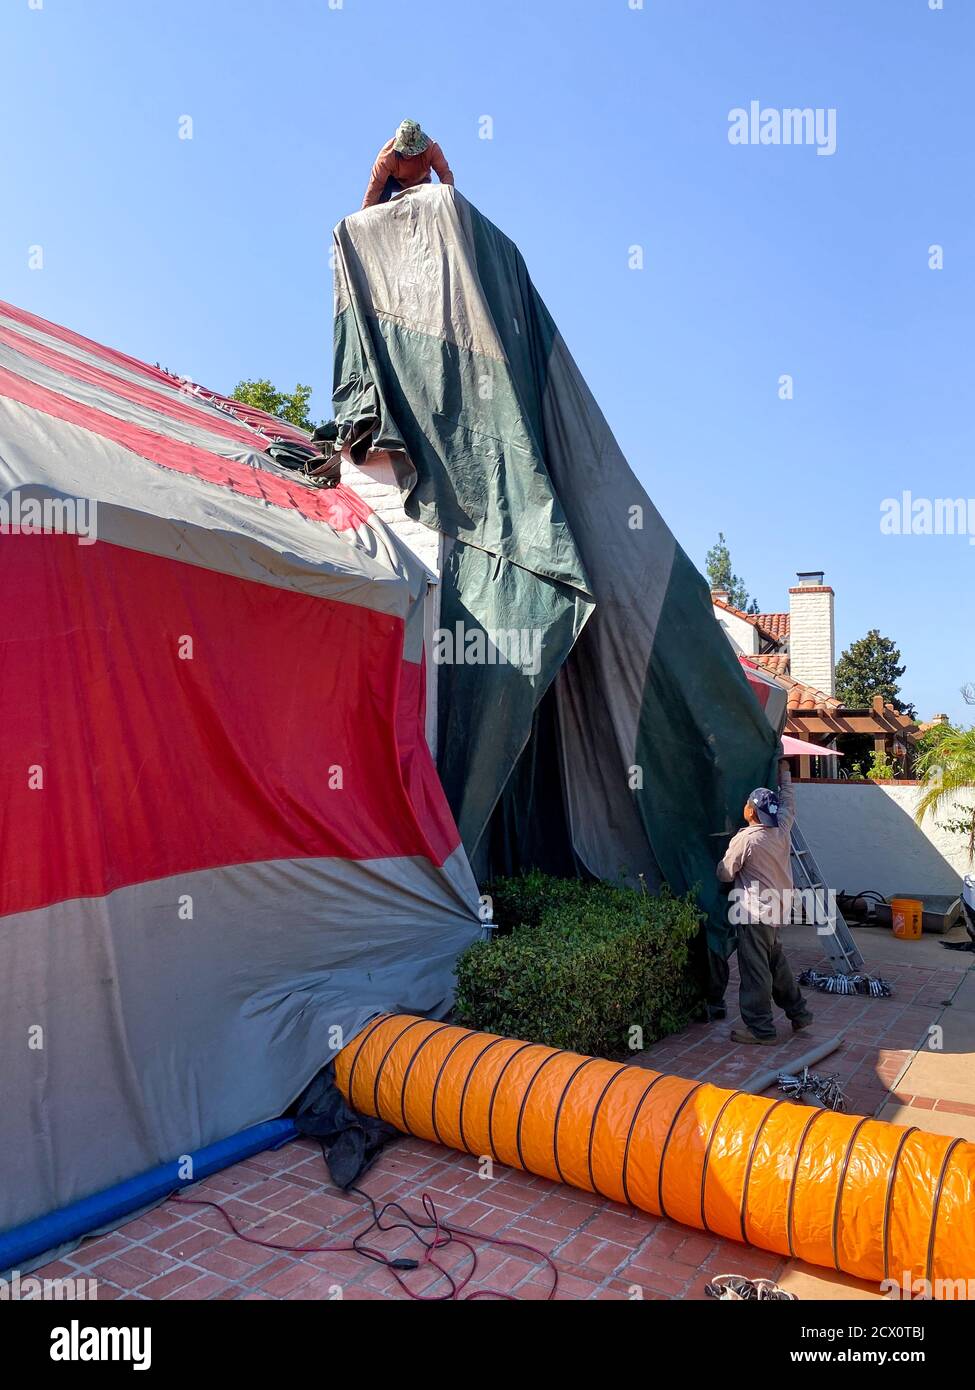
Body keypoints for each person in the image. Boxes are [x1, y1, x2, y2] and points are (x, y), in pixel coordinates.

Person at [716, 759, 813, 1044]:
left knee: (755, 971)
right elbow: (789, 803)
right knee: (776, 964)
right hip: (778, 909)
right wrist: (785, 774)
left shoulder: (746, 839)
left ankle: (761, 1029)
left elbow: (725, 873)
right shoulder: (781, 828)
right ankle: (799, 1013)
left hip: (754, 913)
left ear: (750, 811)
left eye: (747, 804)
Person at [361, 120, 454, 210]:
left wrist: (449, 198)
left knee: (422, 206)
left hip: (420, 183)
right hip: (395, 181)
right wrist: (365, 213)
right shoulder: (387, 156)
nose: (407, 155)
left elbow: (445, 173)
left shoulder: (431, 148)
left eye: (411, 152)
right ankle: (380, 217)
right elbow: (375, 186)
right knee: (381, 193)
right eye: (405, 151)